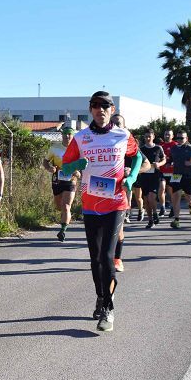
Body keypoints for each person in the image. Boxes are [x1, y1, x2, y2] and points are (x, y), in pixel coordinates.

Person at [60, 92, 139, 332]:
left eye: (104, 106)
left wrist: (132, 178)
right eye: (95, 106)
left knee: (107, 256)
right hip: (91, 205)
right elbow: (65, 166)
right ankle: (100, 296)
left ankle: (109, 307)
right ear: (90, 110)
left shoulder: (123, 135)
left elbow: (137, 159)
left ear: (112, 109)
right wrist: (77, 165)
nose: (100, 110)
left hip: (116, 203)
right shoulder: (81, 138)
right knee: (95, 258)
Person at [44, 126, 78, 241]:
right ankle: (64, 217)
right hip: (57, 180)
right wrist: (49, 168)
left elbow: (84, 164)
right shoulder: (54, 148)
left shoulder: (78, 149)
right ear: (62, 135)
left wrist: (79, 172)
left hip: (71, 181)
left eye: (70, 134)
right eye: (65, 134)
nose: (67, 136)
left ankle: (63, 231)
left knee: (66, 206)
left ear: (73, 136)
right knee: (59, 206)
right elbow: (45, 161)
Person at [134, 129, 166, 229]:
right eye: (146, 136)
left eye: (149, 136)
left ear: (153, 137)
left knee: (152, 197)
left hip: (155, 176)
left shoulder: (158, 148)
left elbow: (164, 159)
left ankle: (155, 213)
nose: (147, 138)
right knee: (146, 200)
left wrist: (159, 164)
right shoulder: (141, 149)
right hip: (144, 176)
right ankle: (150, 220)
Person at [110, 113, 128, 271]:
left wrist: (131, 174)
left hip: (118, 193)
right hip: (99, 192)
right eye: (113, 123)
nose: (115, 126)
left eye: (118, 124)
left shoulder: (129, 144)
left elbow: (145, 164)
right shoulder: (100, 140)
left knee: (118, 229)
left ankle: (117, 259)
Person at [168, 130, 191, 228]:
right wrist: (168, 163)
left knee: (189, 197)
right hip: (176, 175)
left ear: (186, 139)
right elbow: (171, 158)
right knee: (175, 198)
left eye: (182, 138)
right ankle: (176, 220)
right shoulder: (173, 148)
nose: (179, 140)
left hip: (188, 176)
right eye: (178, 138)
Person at [158, 129, 178, 217]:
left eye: (169, 135)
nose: (167, 136)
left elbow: (178, 158)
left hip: (174, 173)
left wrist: (173, 163)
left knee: (172, 192)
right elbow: (157, 157)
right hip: (162, 172)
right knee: (161, 188)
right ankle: (162, 208)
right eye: (165, 134)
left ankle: (173, 208)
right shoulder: (160, 146)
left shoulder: (175, 145)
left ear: (172, 136)